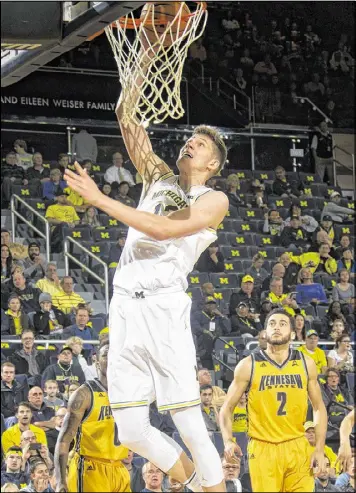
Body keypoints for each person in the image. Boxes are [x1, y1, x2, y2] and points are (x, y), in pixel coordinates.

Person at [64, 77, 230, 488]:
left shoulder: (213, 199)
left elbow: (161, 229)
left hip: (163, 307)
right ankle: (194, 482)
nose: (190, 143)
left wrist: (99, 198)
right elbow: (126, 115)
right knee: (132, 430)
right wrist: (142, 62)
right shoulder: (157, 176)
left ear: (212, 164)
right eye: (190, 138)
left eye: (201, 144)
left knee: (188, 421)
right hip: (124, 305)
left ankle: (215, 487)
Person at [220, 309, 328, 493]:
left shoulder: (306, 363)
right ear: (264, 332)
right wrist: (228, 440)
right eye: (272, 324)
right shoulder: (248, 365)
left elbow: (319, 408)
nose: (276, 327)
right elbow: (226, 408)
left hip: (297, 445)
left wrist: (318, 448)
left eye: (282, 324)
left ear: (293, 334)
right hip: (263, 447)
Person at [54, 340, 131, 493]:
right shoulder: (84, 394)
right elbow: (63, 440)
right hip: (90, 467)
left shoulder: (128, 394)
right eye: (105, 355)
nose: (110, 359)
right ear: (96, 360)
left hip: (119, 467)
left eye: (114, 354)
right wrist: (60, 481)